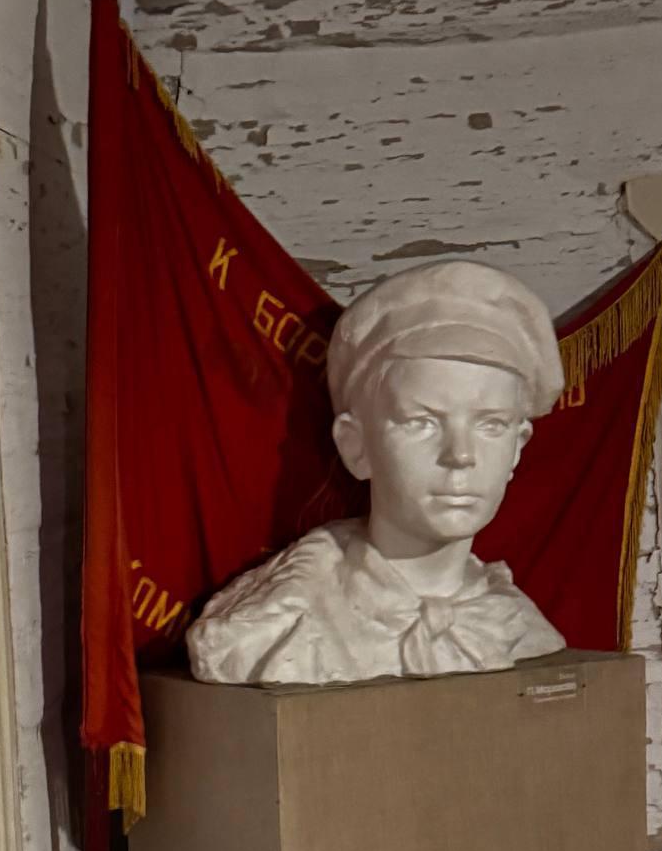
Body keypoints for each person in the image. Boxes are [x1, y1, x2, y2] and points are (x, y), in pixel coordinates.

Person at [187, 260, 565, 685]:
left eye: (491, 425)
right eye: (422, 422)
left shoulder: (522, 628)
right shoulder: (270, 632)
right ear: (356, 446)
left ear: (518, 448)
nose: (460, 455)